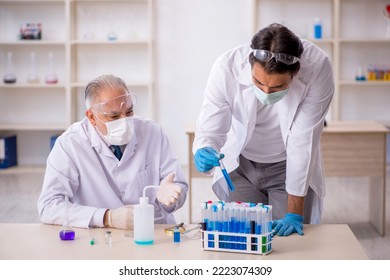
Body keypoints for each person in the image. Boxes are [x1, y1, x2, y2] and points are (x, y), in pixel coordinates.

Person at [193, 23, 334, 236]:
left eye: (277, 87)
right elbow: (210, 125)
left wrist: (294, 212)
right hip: (242, 165)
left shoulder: (318, 67)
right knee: (246, 238)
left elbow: (303, 140)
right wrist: (204, 148)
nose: (267, 92)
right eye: (258, 82)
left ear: (295, 72)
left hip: (287, 165)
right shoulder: (226, 67)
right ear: (250, 64)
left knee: (291, 246)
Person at [37, 74, 188, 230]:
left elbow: (178, 186)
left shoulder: (153, 132)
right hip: (103, 236)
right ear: (91, 117)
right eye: (114, 116)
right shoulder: (70, 144)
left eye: (129, 112)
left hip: (154, 231)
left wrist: (171, 197)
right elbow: (49, 206)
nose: (124, 121)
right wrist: (107, 217)